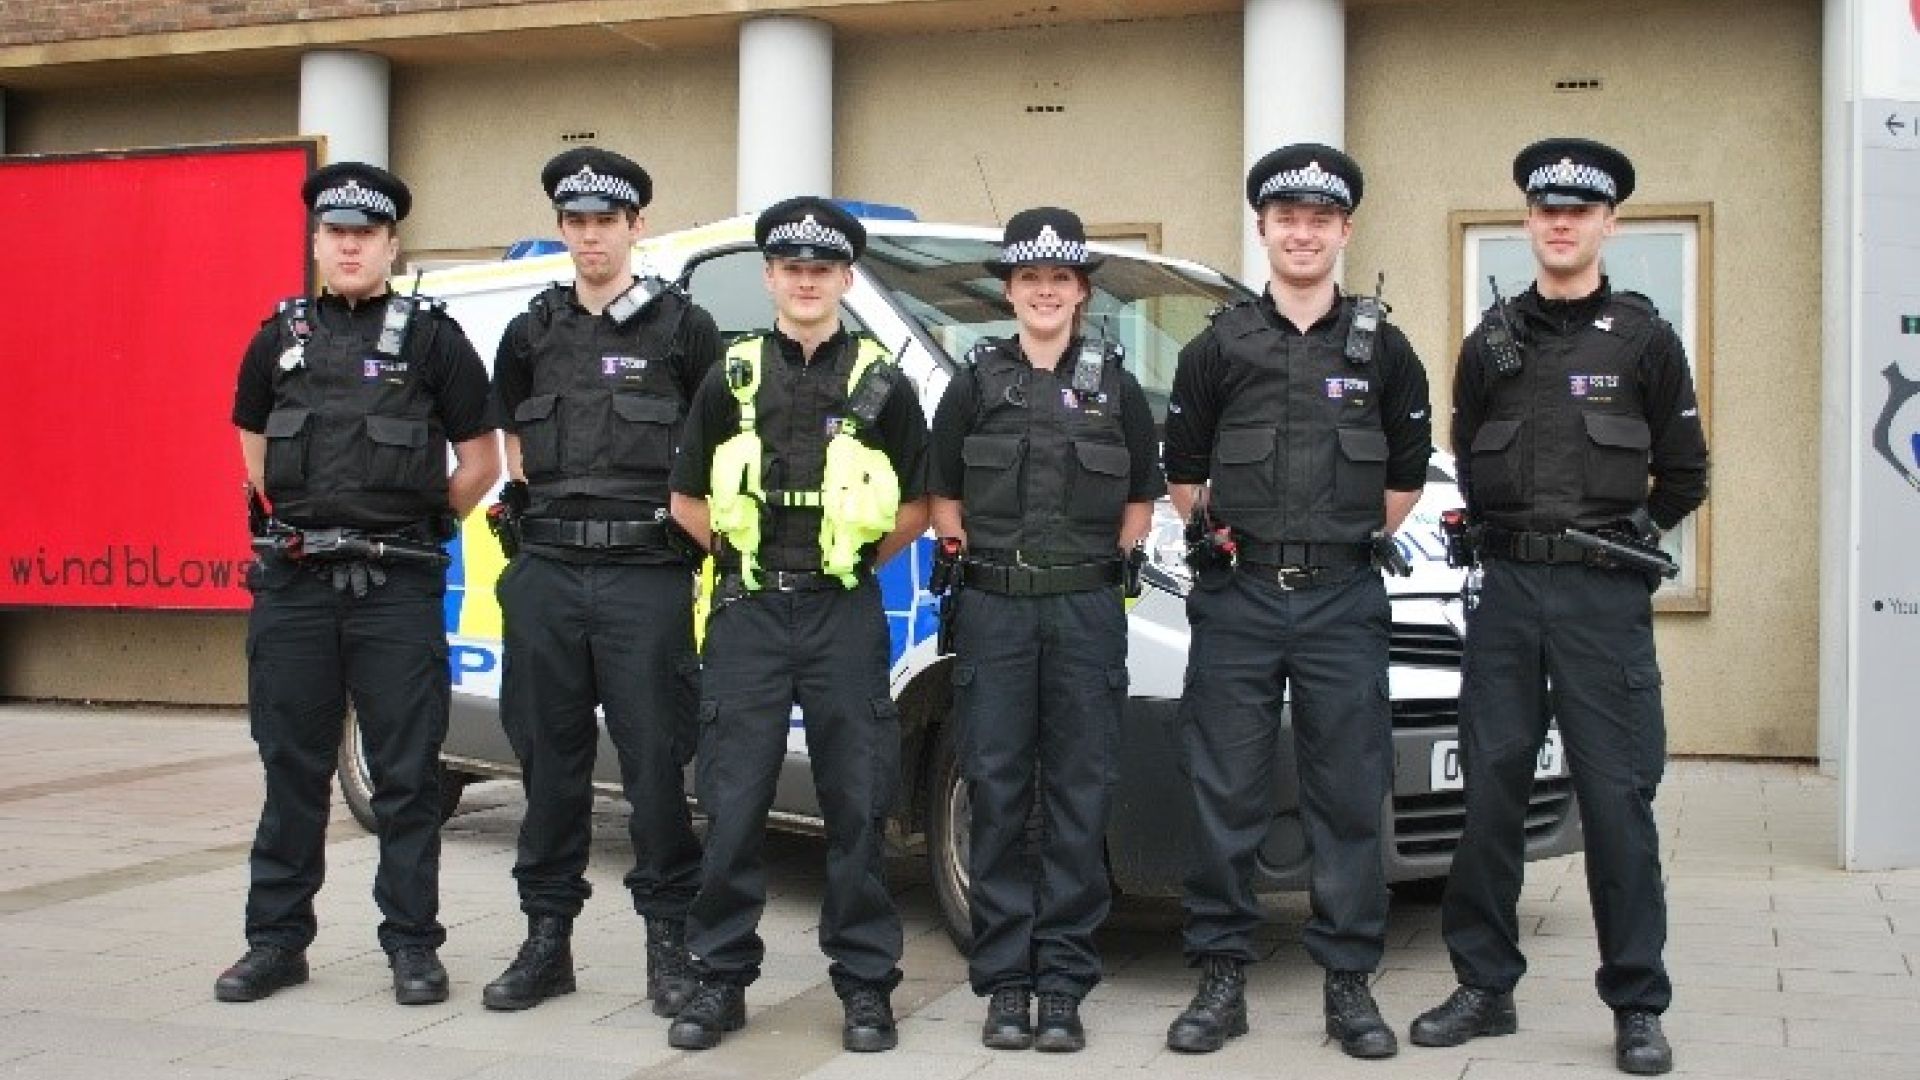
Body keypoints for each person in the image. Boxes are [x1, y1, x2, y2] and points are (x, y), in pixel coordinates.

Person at [1409, 137, 1707, 1077]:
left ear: (1608, 224)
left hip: (1600, 599)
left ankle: (1638, 1003)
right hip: (1505, 595)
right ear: (1529, 222)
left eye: (1580, 212)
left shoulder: (1645, 341)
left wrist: (1620, 547)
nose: (1562, 224)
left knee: (1617, 802)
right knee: (1490, 794)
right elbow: (1467, 454)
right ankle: (1484, 987)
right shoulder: (1489, 345)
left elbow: (1686, 474)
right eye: (1548, 211)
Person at [1161, 144, 1432, 1059]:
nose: (1303, 234)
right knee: (1223, 792)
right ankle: (1220, 979)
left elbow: (1404, 478)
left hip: (1342, 600)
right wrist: (1254, 544)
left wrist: (1327, 542)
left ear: (1344, 231)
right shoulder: (1218, 346)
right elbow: (1184, 473)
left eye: (1321, 220)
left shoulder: (1386, 351)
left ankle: (1349, 986)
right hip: (1238, 597)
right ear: (1265, 229)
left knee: (1348, 795)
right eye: (1288, 219)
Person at [219, 161, 500, 1006]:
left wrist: (418, 526)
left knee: (407, 779)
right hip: (297, 586)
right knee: (292, 771)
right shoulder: (276, 339)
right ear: (317, 243)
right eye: (337, 233)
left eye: (366, 234)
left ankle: (412, 946)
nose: (351, 247)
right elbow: (253, 448)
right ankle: (275, 944)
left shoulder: (434, 340)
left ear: (391, 245)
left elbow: (481, 461)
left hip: (395, 585)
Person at [664, 197, 929, 1053]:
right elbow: (687, 498)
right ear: (770, 277)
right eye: (791, 268)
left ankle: (865, 984)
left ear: (845, 279)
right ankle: (718, 977)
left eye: (822, 269)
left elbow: (918, 504)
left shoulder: (883, 383)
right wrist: (744, 563)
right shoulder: (730, 377)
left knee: (858, 802)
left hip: (840, 612)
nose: (807, 281)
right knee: (733, 800)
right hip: (747, 612)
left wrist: (846, 564)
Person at [480, 148, 722, 1016]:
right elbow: (513, 446)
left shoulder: (684, 329)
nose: (591, 236)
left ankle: (669, 945)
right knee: (548, 767)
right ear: (561, 229)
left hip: (644, 578)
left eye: (606, 222)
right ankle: (547, 942)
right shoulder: (530, 332)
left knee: (655, 768)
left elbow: (715, 447)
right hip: (547, 573)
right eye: (576, 222)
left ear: (635, 227)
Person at [923, 207, 1164, 1053]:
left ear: (1082, 291)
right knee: (996, 792)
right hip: (995, 611)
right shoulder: (974, 383)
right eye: (1030, 278)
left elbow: (1140, 497)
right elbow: (943, 493)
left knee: (1077, 796)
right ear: (1010, 292)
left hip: (1085, 613)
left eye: (1060, 278)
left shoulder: (1117, 387)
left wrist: (1102, 567)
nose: (1045, 292)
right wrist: (973, 559)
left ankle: (1062, 982)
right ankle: (1005, 983)